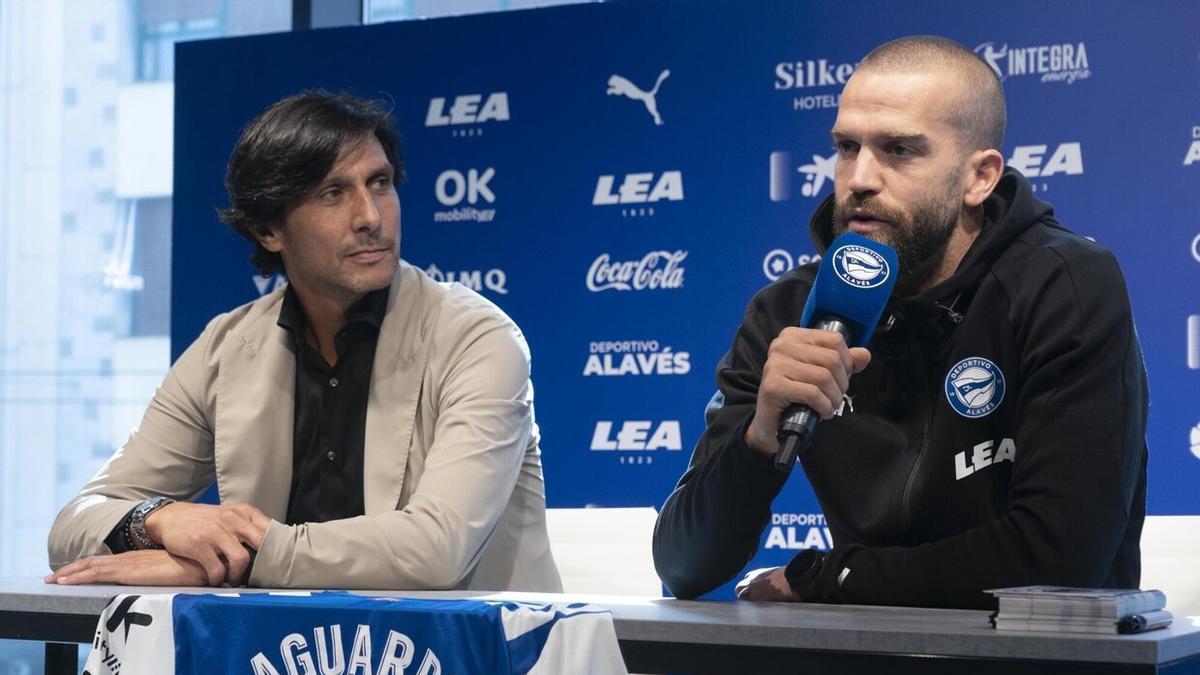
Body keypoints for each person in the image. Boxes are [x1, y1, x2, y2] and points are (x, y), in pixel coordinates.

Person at [652, 36, 1147, 609]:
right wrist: (758, 442)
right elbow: (684, 567)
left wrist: (827, 580)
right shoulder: (789, 312)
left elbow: (1060, 557)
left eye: (899, 150)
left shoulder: (1066, 284)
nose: (859, 177)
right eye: (845, 147)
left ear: (979, 178)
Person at [46, 91, 562, 592]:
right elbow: (74, 527)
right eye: (332, 194)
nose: (371, 217)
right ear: (269, 229)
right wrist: (159, 519)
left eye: (379, 183)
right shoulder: (227, 346)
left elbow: (436, 549)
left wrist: (239, 559)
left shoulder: (478, 338)